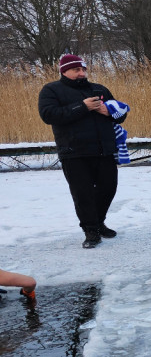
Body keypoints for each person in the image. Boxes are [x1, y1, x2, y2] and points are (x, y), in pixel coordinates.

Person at [38, 54, 128, 249]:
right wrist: (83, 106)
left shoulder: (99, 88)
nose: (81, 73)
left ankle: (99, 222)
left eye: (83, 69)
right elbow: (48, 115)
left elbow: (120, 113)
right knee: (82, 194)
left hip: (104, 149)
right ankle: (91, 231)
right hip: (74, 151)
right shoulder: (52, 90)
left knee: (108, 188)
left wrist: (110, 112)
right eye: (76, 70)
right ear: (64, 71)